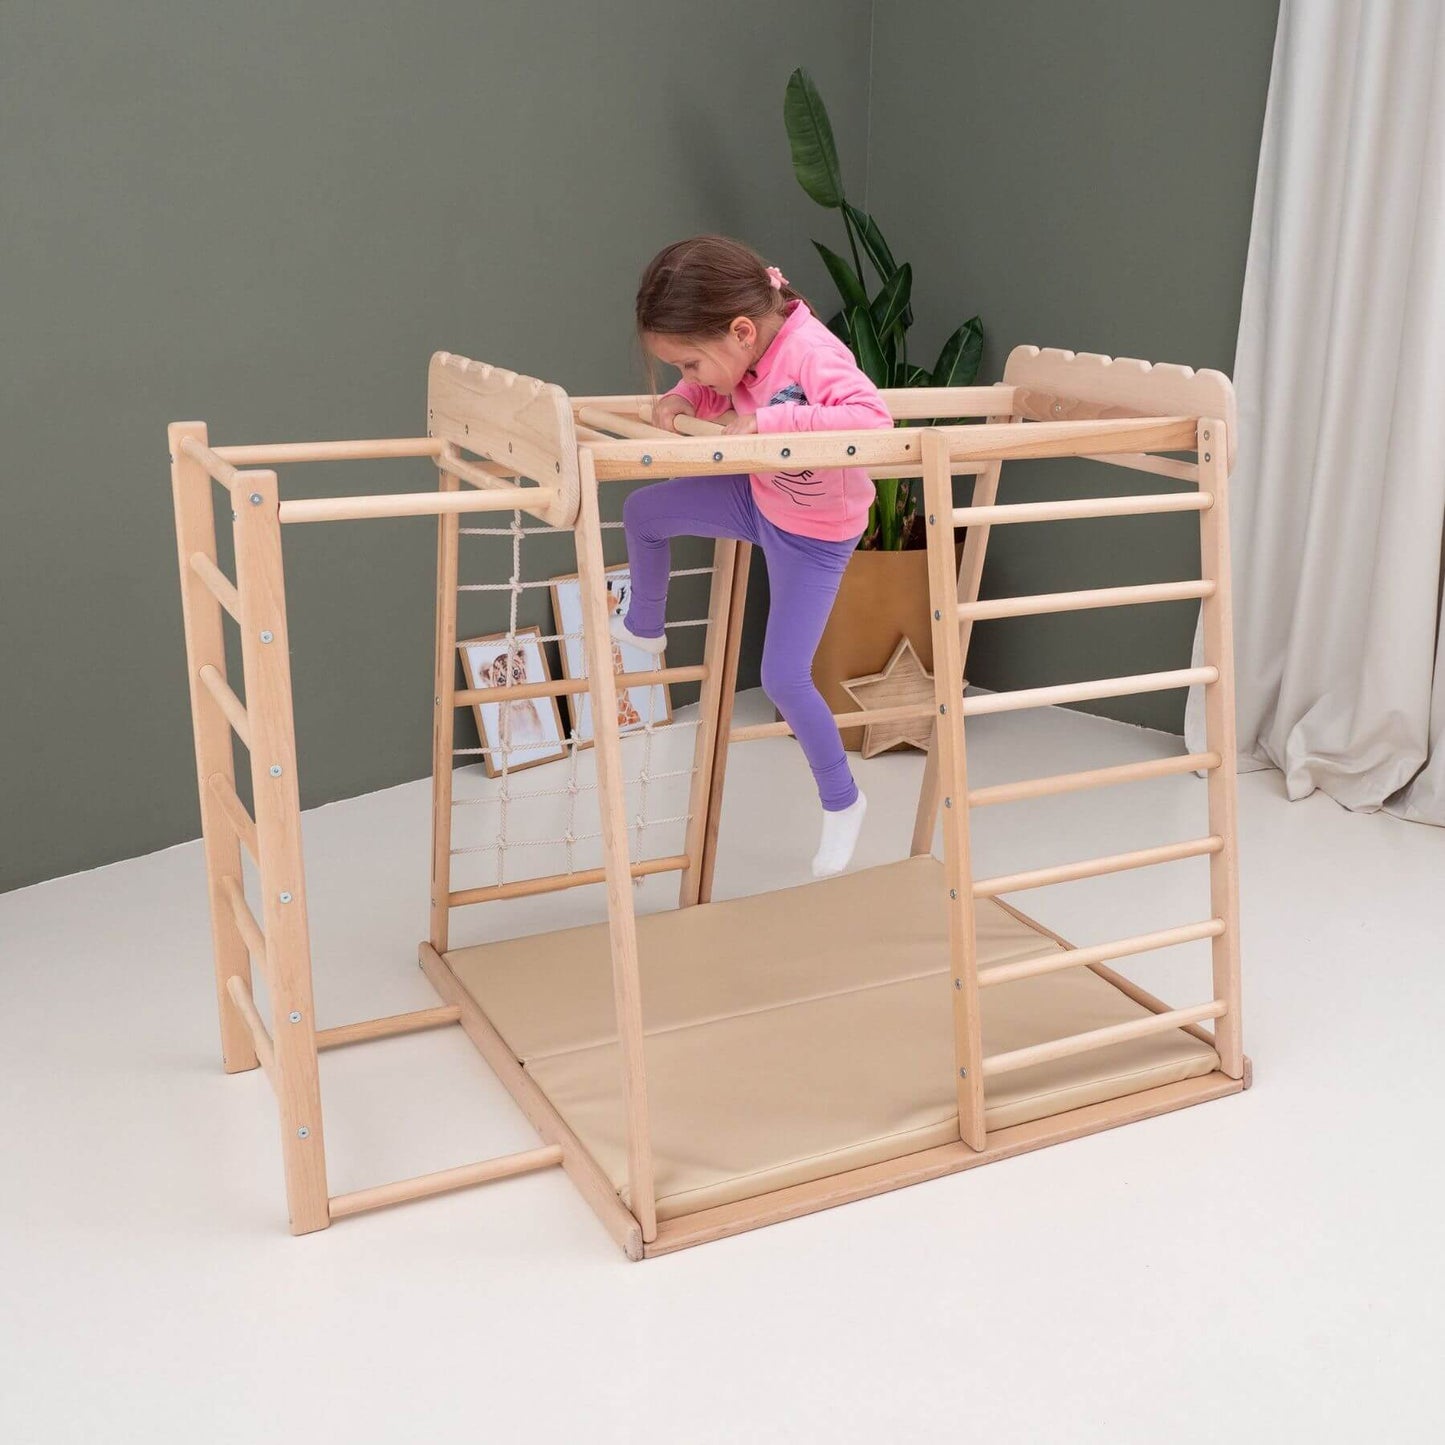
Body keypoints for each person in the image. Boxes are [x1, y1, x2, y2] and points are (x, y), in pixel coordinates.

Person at [612, 234, 893, 877]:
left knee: (784, 678)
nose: (690, 375)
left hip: (816, 533)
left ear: (741, 330)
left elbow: (871, 420)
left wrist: (772, 423)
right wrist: (685, 399)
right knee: (643, 513)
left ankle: (843, 801)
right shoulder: (748, 349)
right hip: (760, 498)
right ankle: (645, 628)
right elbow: (722, 390)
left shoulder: (811, 351)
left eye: (689, 364)